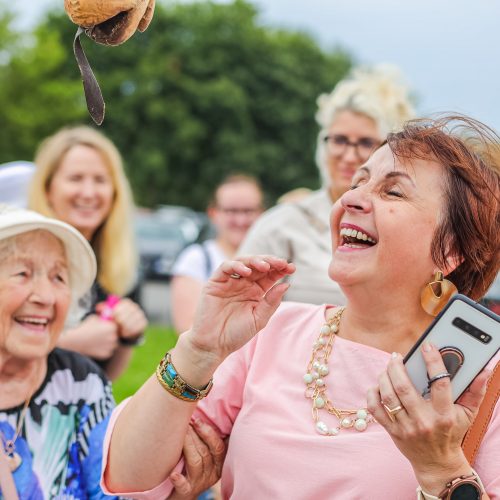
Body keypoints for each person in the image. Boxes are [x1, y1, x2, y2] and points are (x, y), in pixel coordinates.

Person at [102, 115, 499, 499]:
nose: (352, 198)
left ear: (450, 251)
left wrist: (443, 469)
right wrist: (198, 350)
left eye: (392, 191)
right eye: (358, 182)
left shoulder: (482, 387)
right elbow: (128, 478)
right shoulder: (271, 333)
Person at [239, 65, 415, 305]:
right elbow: (238, 311)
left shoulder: (408, 231)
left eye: (365, 142)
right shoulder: (282, 225)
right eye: (340, 140)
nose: (349, 156)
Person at [0, 204, 116, 498]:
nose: (46, 297)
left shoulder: (81, 381)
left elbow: (111, 492)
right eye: (23, 273)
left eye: (58, 278)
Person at [28, 126, 147, 381]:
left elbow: (106, 379)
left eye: (100, 180)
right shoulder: (17, 256)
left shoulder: (121, 267)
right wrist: (67, 343)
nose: (89, 192)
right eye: (76, 178)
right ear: (48, 189)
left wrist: (128, 336)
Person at [171, 174, 263, 333]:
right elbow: (187, 330)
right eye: (231, 211)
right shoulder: (196, 259)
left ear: (262, 213)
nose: (240, 220)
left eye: (248, 211)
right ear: (213, 213)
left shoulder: (273, 260)